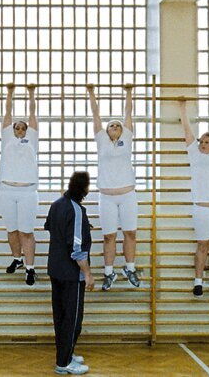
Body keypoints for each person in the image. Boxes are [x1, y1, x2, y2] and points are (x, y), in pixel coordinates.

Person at [86, 84, 141, 291]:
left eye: (118, 125)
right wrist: (91, 93)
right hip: (107, 196)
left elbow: (128, 112)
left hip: (127, 195)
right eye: (111, 125)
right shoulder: (101, 140)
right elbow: (95, 114)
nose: (115, 127)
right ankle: (109, 272)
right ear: (106, 130)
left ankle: (130, 268)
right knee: (109, 236)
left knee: (130, 233)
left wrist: (129, 93)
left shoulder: (127, 138)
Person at [179, 97, 209, 297]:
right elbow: (187, 130)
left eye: (207, 141)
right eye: (201, 141)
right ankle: (198, 281)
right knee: (202, 245)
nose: (202, 143)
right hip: (201, 207)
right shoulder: (194, 154)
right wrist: (182, 108)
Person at [45, 171, 93, 375]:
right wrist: (88, 274)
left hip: (55, 270)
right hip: (71, 275)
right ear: (83, 189)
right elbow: (77, 249)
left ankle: (66, 354)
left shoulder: (57, 204)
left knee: (61, 317)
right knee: (72, 320)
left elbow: (50, 226)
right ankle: (63, 363)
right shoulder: (76, 210)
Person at [0, 83, 39, 285]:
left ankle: (30, 268)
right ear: (12, 129)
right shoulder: (7, 137)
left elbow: (32, 114)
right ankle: (17, 259)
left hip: (27, 191)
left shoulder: (32, 138)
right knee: (12, 230)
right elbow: (7, 113)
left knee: (26, 232)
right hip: (6, 190)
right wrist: (10, 93)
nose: (20, 129)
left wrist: (31, 94)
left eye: (23, 127)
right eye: (17, 127)